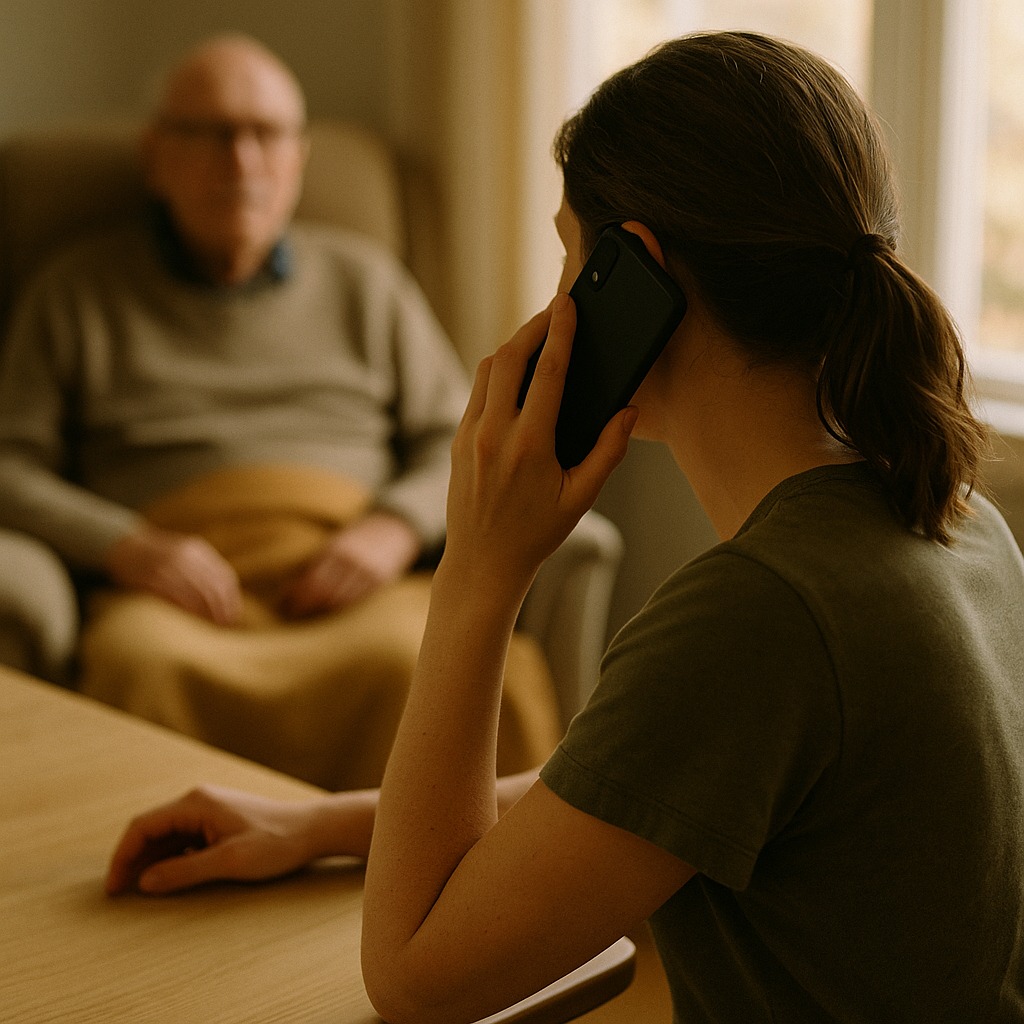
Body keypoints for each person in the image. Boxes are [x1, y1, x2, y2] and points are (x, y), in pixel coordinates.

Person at [105, 31, 1024, 1023]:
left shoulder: (762, 613)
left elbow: (417, 980)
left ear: (631, 277)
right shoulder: (956, 523)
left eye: (567, 255)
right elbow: (636, 780)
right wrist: (318, 823)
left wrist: (478, 570)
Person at [0, 33, 561, 789]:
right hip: (174, 592)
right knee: (141, 670)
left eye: (265, 135)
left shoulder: (369, 284)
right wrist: (127, 546)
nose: (240, 163)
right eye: (210, 135)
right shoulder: (75, 292)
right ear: (156, 156)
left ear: (298, 158)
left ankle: (462, 898)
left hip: (351, 576)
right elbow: (10, 467)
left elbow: (456, 438)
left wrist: (390, 531)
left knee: (424, 658)